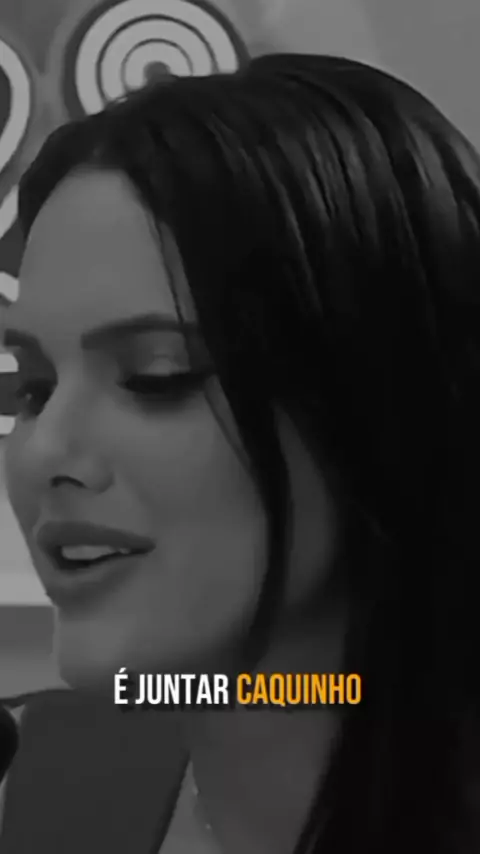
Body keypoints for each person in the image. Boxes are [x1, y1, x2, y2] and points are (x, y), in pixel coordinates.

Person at [1, 53, 479, 853]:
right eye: (32, 388)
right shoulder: (38, 776)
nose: (44, 449)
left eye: (158, 377)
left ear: (385, 399)